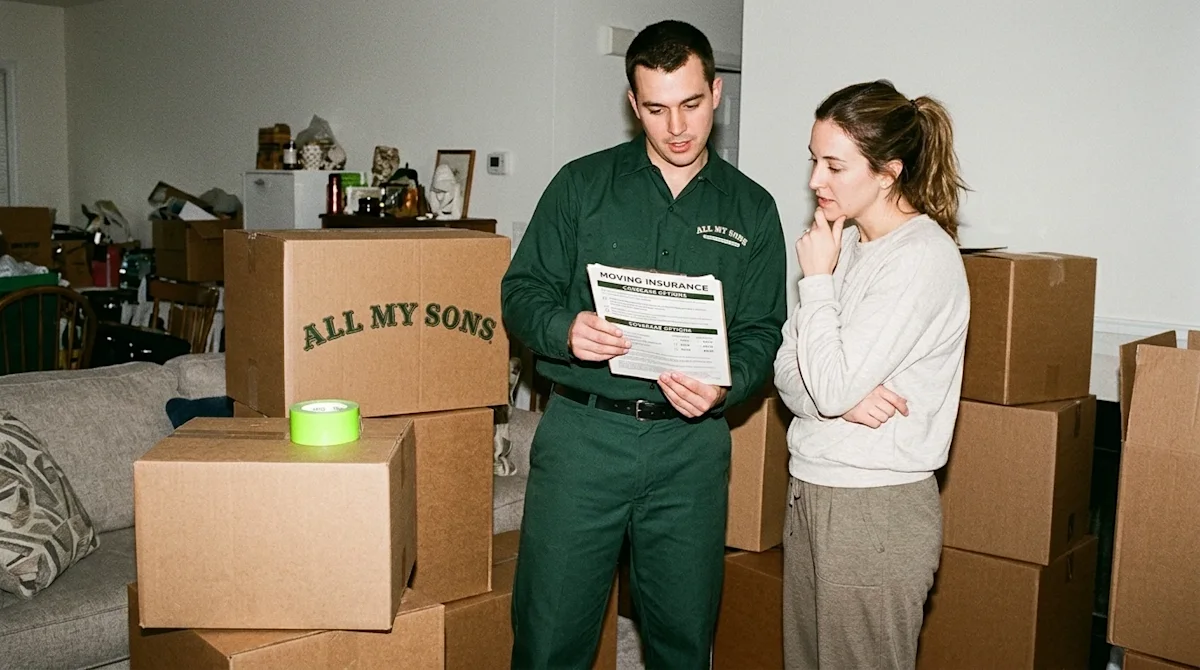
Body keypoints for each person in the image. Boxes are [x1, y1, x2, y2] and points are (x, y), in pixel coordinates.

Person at [500, 19, 786, 669]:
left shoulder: (753, 209)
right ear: (633, 105)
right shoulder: (581, 186)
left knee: (682, 640)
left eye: (690, 104)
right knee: (549, 638)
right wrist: (563, 328)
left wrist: (729, 381)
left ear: (716, 92)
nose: (677, 127)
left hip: (689, 448)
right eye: (656, 109)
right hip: (583, 438)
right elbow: (522, 291)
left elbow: (765, 328)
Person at [773, 80, 971, 669]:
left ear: (888, 172)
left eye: (835, 165)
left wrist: (817, 284)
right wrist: (833, 401)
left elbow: (828, 380)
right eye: (814, 160)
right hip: (812, 488)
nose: (815, 181)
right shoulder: (846, 244)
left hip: (873, 507)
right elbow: (786, 369)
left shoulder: (920, 260)